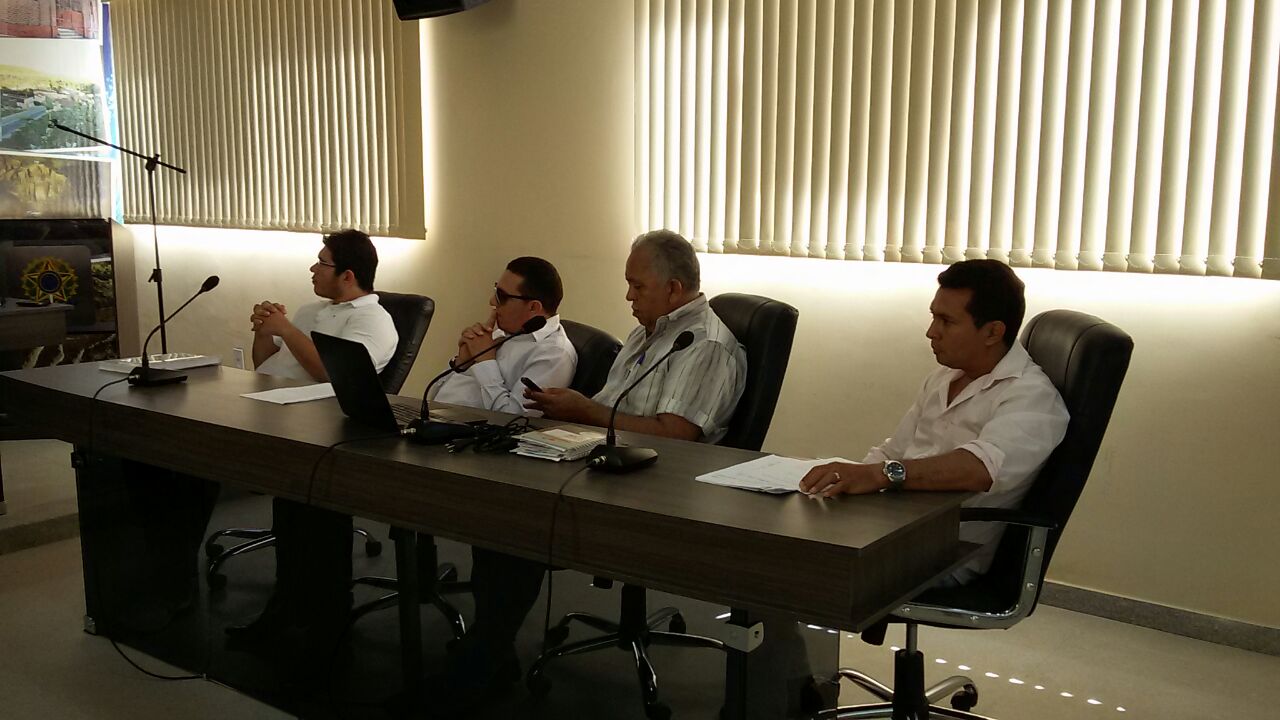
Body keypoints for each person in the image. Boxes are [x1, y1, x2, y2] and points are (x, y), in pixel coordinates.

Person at [438, 230, 747, 707]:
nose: (627, 296)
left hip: (656, 486)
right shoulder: (647, 334)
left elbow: (677, 435)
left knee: (520, 516)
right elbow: (609, 409)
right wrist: (566, 414)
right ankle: (490, 650)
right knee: (502, 495)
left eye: (637, 286)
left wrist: (586, 412)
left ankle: (481, 661)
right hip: (607, 462)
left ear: (674, 289)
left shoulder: (703, 345)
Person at [800, 259, 1070, 586]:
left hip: (946, 551)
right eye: (933, 316)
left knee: (803, 568)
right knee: (789, 534)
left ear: (992, 332)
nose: (931, 332)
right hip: (891, 524)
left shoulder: (1032, 396)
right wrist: (845, 481)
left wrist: (879, 474)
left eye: (946, 321)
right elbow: (894, 451)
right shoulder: (944, 377)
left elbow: (979, 468)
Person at [226, 229, 399, 644]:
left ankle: (318, 614)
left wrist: (287, 330)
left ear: (347, 275)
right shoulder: (309, 311)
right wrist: (265, 331)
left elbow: (330, 374)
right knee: (289, 517)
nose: (313, 269)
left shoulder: (373, 321)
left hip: (326, 428)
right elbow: (267, 366)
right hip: (279, 413)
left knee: (309, 520)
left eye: (322, 263)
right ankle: (288, 603)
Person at [432, 256, 577, 414]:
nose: (492, 301)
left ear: (533, 307)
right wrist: (460, 363)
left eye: (502, 296)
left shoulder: (554, 354)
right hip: (433, 417)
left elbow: (513, 418)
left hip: (464, 427)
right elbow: (432, 397)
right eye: (496, 291)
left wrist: (485, 361)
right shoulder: (503, 333)